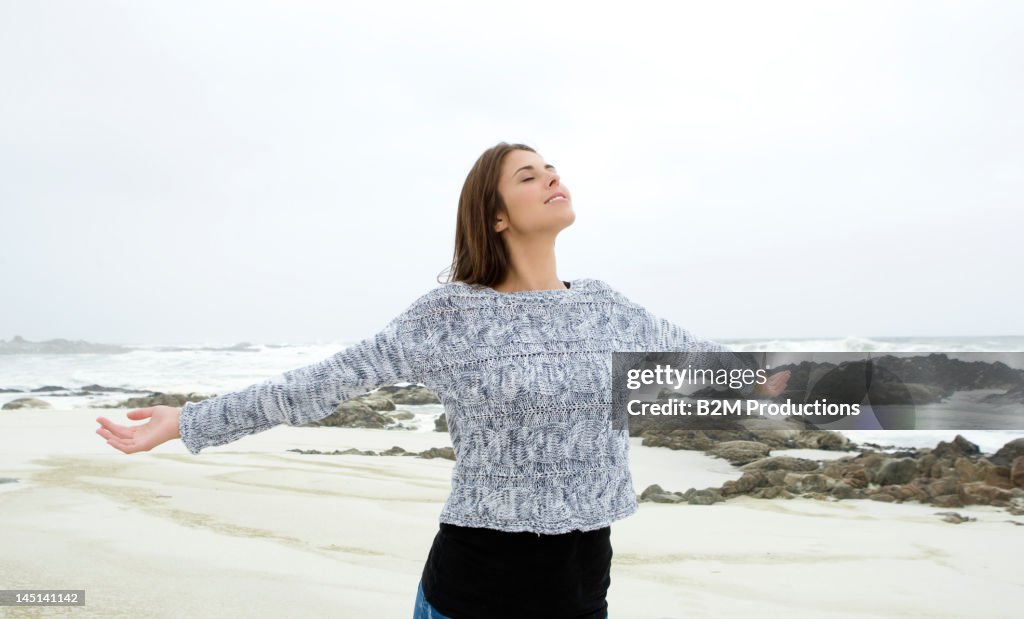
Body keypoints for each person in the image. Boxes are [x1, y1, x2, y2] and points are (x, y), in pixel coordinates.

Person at [96, 142, 790, 619]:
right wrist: (189, 420)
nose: (552, 176)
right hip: (475, 592)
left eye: (552, 166)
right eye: (528, 175)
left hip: (583, 591)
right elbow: (323, 382)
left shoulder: (609, 307)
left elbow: (721, 370)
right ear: (495, 215)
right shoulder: (448, 317)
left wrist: (852, 388)